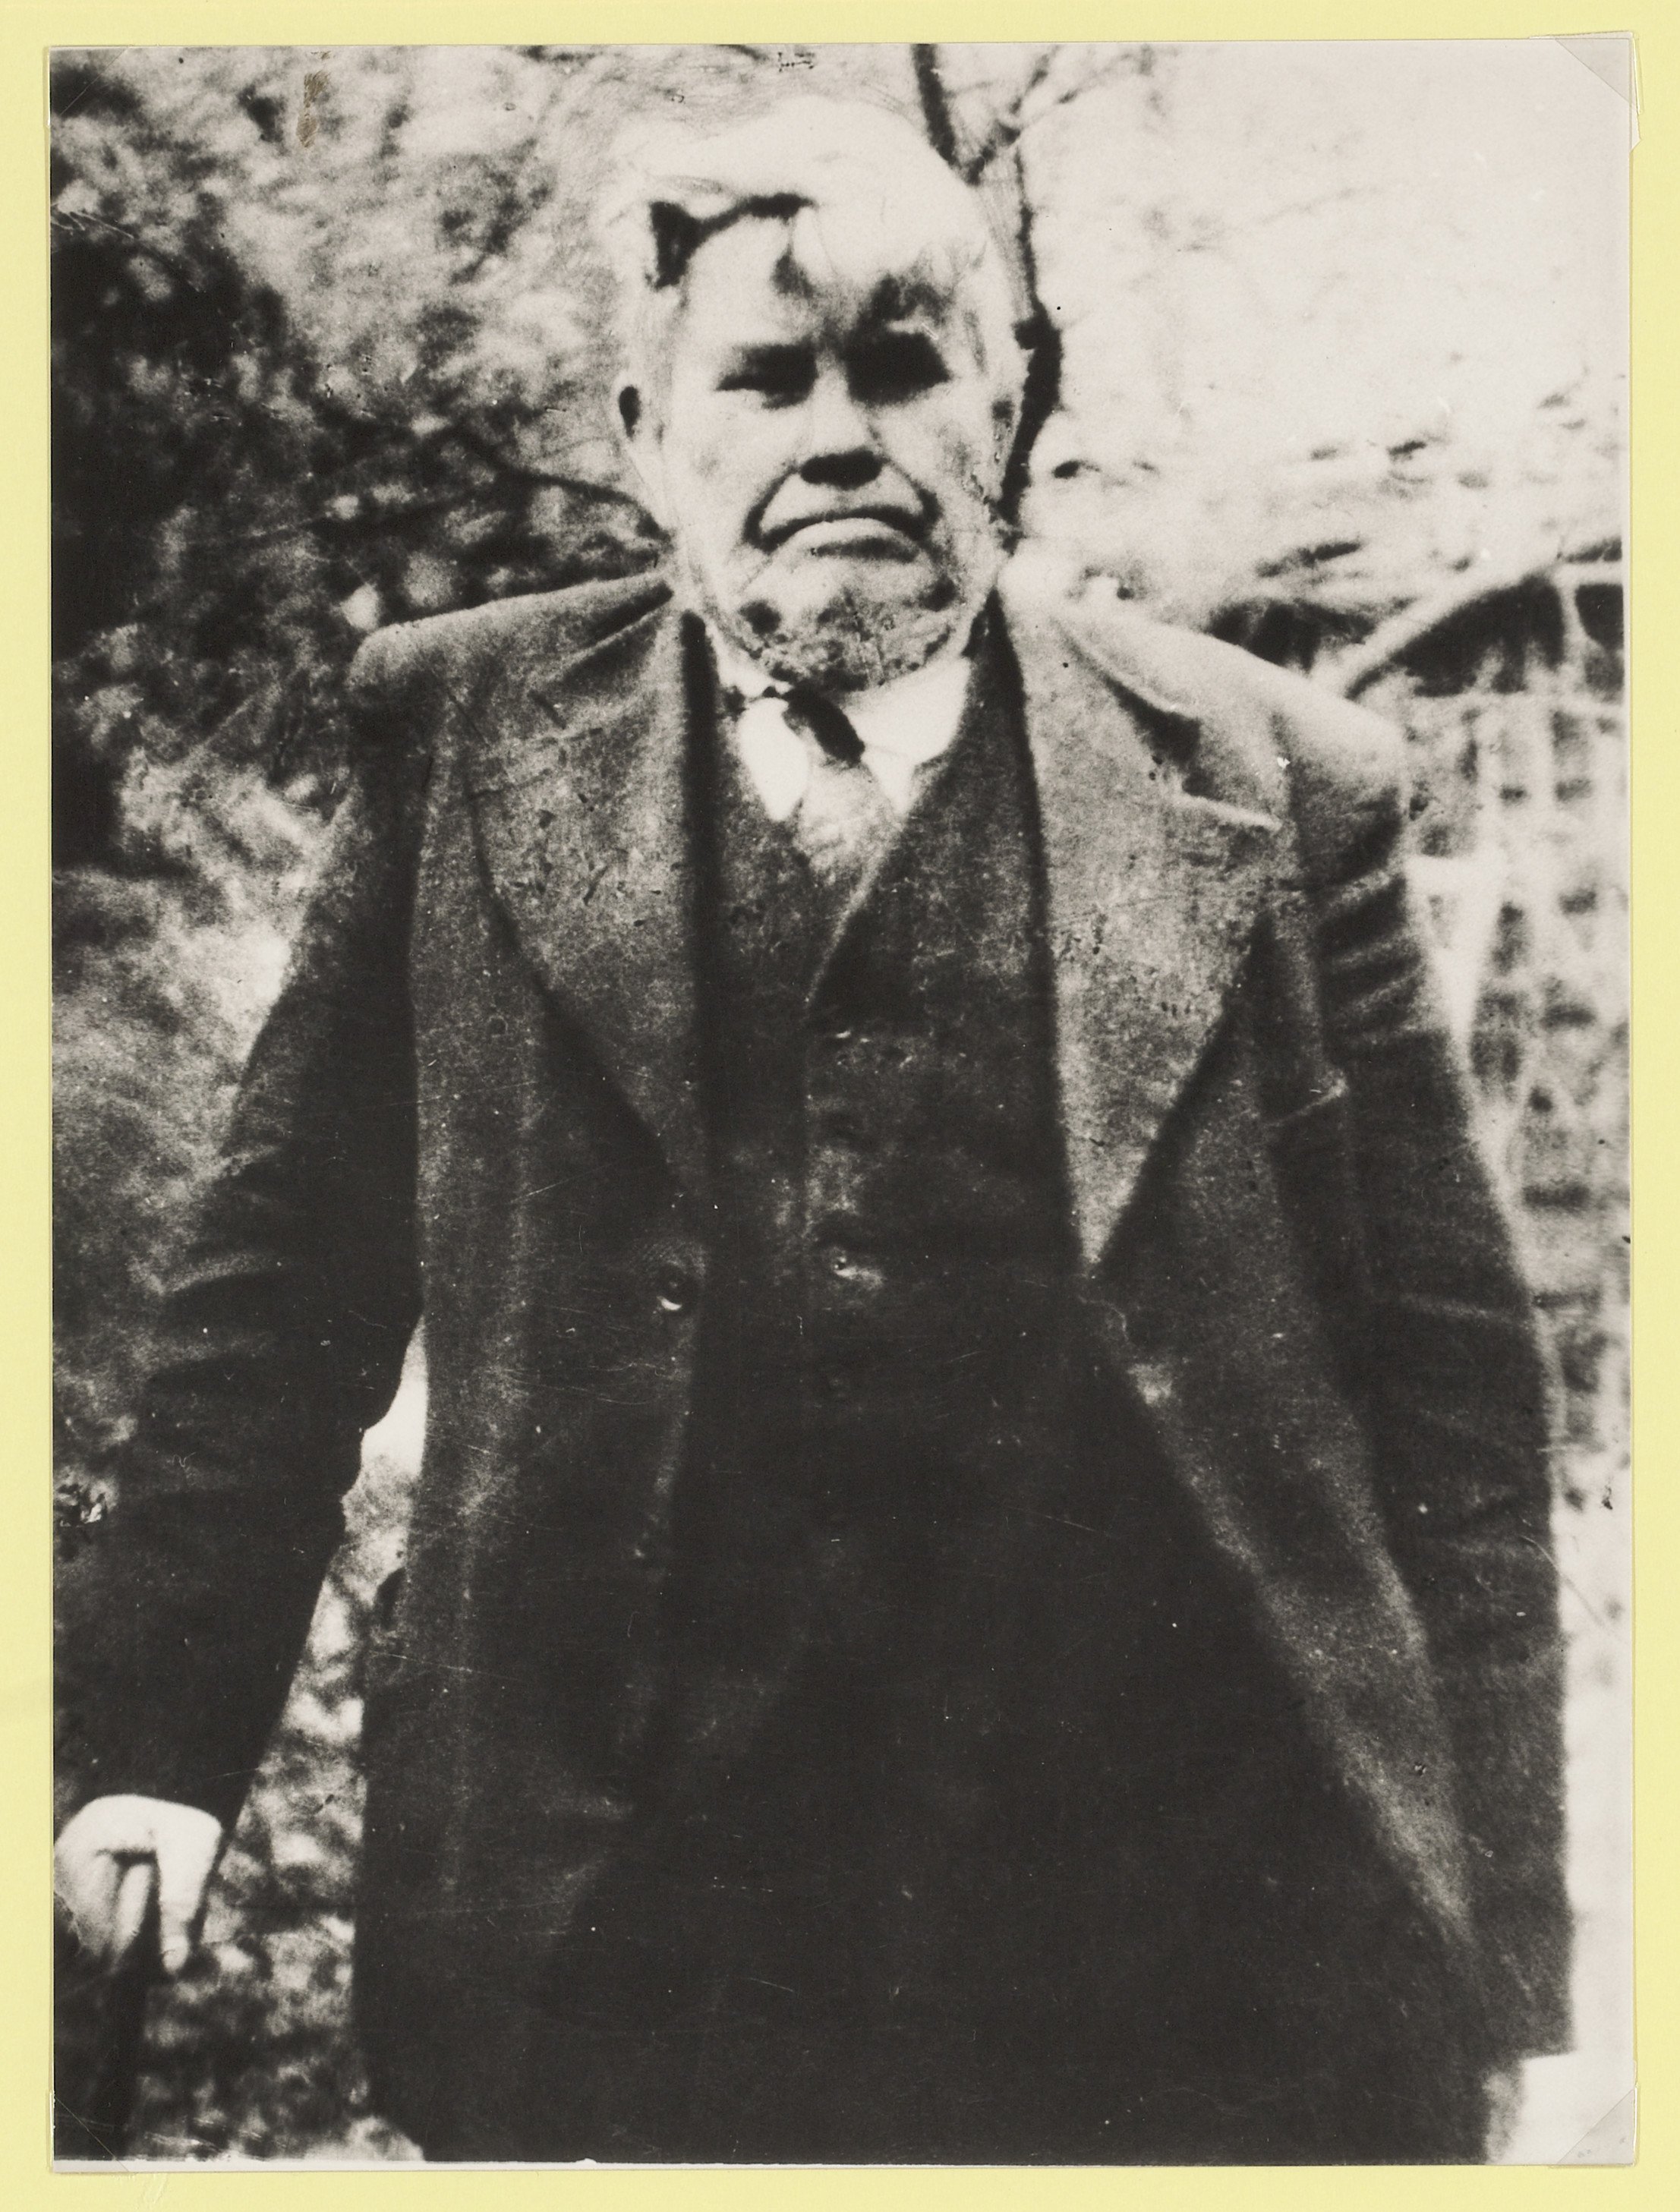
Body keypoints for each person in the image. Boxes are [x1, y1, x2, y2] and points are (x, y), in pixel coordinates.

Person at [55, 96, 1569, 2163]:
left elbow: (1454, 1400)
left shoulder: (1280, 783)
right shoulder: (464, 732)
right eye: (765, 381)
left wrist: (1504, 1946)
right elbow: (278, 1290)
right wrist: (155, 1747)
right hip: (625, 1918)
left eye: (902, 368)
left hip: (1182, 1933)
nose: (840, 440)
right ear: (644, 432)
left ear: (1004, 404)